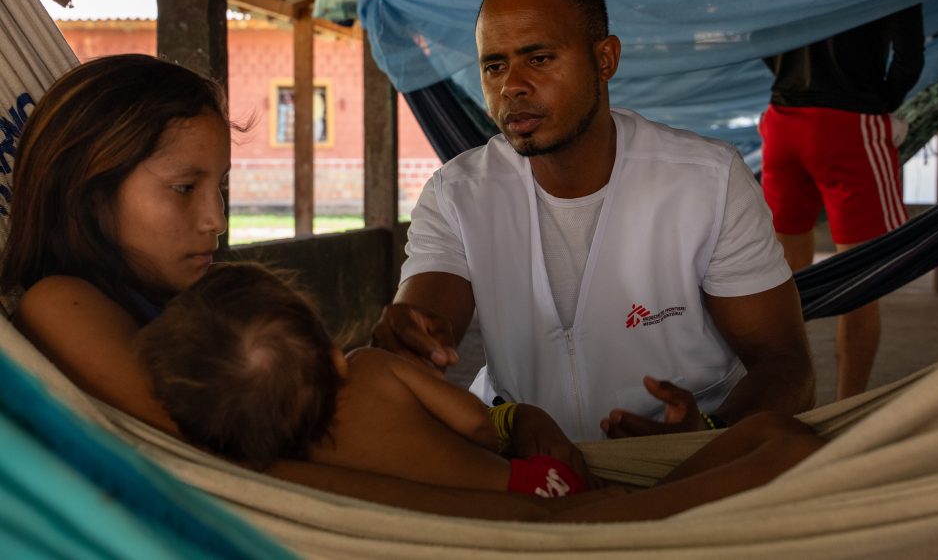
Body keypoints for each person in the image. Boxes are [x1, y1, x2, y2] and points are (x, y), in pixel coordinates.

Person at [0, 53, 824, 523]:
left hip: (472, 482)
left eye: (219, 187)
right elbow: (223, 469)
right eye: (186, 189)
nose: (216, 219)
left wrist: (503, 426)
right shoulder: (57, 299)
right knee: (656, 504)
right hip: (426, 510)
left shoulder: (697, 176)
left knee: (719, 462)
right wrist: (441, 510)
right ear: (89, 187)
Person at [372, 0, 815, 442]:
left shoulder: (708, 182)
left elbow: (787, 367)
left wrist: (708, 432)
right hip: (525, 455)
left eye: (538, 58)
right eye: (494, 65)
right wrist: (411, 335)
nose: (511, 85)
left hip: (693, 459)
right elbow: (429, 315)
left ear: (605, 59)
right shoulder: (458, 193)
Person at [137, 261, 589, 497]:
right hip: (536, 489)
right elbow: (477, 426)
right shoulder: (370, 368)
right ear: (334, 358)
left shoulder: (300, 466)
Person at [760, 0, 925, 400]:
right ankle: (844, 408)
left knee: (786, 281)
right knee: (863, 281)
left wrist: (787, 72)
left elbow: (760, 34)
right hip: (848, 126)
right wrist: (878, 100)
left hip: (782, 122)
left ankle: (792, 403)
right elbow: (911, 56)